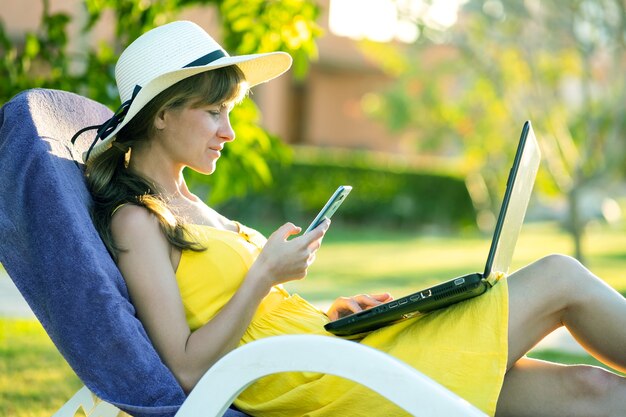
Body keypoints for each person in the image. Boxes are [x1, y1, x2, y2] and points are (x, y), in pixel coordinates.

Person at [77, 20, 626, 417]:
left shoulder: (192, 206)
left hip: (334, 352)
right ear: (163, 112)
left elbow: (263, 318)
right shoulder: (136, 221)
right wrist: (265, 272)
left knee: (594, 391)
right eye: (213, 112)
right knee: (559, 276)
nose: (229, 131)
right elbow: (189, 370)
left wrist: (335, 313)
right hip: (323, 382)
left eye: (231, 112)